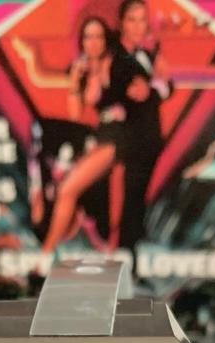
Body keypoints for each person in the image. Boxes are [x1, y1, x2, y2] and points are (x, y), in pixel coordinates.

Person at [41, 16, 129, 253]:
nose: (93, 42)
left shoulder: (114, 63)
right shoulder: (82, 68)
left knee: (67, 189)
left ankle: (45, 254)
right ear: (81, 41)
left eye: (98, 36)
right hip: (102, 136)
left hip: (120, 136)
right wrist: (74, 80)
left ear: (105, 39)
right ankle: (55, 249)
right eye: (88, 37)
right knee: (68, 189)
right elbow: (76, 114)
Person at [115, 0, 172, 250]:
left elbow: (168, 87)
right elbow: (141, 94)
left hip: (150, 139)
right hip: (131, 141)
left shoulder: (148, 54)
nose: (139, 26)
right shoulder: (117, 57)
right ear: (121, 23)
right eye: (132, 20)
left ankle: (135, 241)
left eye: (142, 20)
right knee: (131, 196)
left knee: (140, 196)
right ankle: (127, 248)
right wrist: (158, 83)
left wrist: (158, 82)